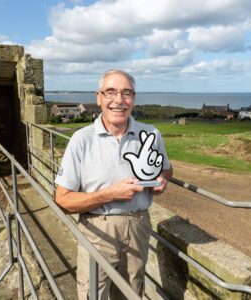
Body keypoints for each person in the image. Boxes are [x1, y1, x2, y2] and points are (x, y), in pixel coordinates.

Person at [55, 69, 173, 299]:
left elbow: (166, 168)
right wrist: (110, 193)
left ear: (134, 98)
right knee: (93, 293)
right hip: (98, 227)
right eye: (111, 92)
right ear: (98, 98)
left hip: (138, 225)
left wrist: (163, 179)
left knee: (131, 291)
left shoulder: (150, 134)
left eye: (126, 93)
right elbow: (63, 199)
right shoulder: (81, 140)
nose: (119, 100)